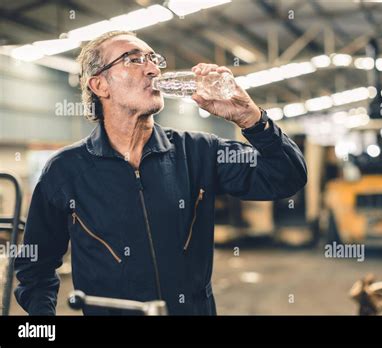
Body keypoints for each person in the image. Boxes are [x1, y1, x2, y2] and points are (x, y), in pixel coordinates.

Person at [15, 31, 307, 315]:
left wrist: (250, 118)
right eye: (134, 59)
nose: (153, 69)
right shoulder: (66, 171)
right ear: (100, 85)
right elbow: (36, 270)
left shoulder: (199, 152)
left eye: (153, 59)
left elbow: (286, 176)